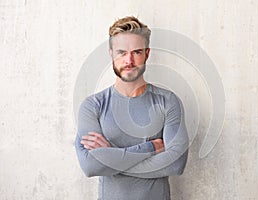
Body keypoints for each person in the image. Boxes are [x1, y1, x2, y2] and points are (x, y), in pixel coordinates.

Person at [75, 16, 189, 200]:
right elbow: (91, 166)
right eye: (121, 52)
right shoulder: (93, 106)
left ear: (147, 54)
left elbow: (176, 164)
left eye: (136, 52)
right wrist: (149, 148)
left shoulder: (168, 101)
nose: (129, 60)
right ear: (111, 53)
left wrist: (112, 157)